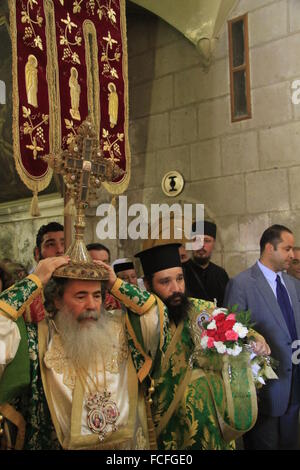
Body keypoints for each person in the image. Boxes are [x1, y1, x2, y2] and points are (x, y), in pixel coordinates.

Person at [101, 243, 270, 450]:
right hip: (171, 427)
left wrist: (256, 339)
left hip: (215, 425)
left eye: (179, 278)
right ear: (147, 284)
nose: (176, 289)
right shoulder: (143, 319)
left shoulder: (202, 309)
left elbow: (236, 328)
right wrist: (113, 283)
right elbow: (149, 306)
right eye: (165, 282)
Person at [0, 256, 150, 450]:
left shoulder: (123, 329)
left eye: (97, 295)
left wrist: (116, 284)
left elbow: (157, 319)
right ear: (57, 300)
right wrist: (34, 281)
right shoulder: (36, 339)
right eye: (80, 296)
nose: (92, 305)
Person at [224, 224, 300, 450]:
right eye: (287, 249)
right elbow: (232, 335)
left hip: (295, 383)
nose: (293, 255)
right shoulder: (242, 284)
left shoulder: (294, 284)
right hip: (264, 391)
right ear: (269, 248)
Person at [183, 220, 229, 307]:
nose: (201, 245)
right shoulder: (181, 272)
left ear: (214, 244)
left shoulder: (221, 274)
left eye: (207, 241)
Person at [28, 222, 64, 323]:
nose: (60, 250)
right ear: (37, 253)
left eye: (64, 243)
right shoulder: (27, 291)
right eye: (51, 244)